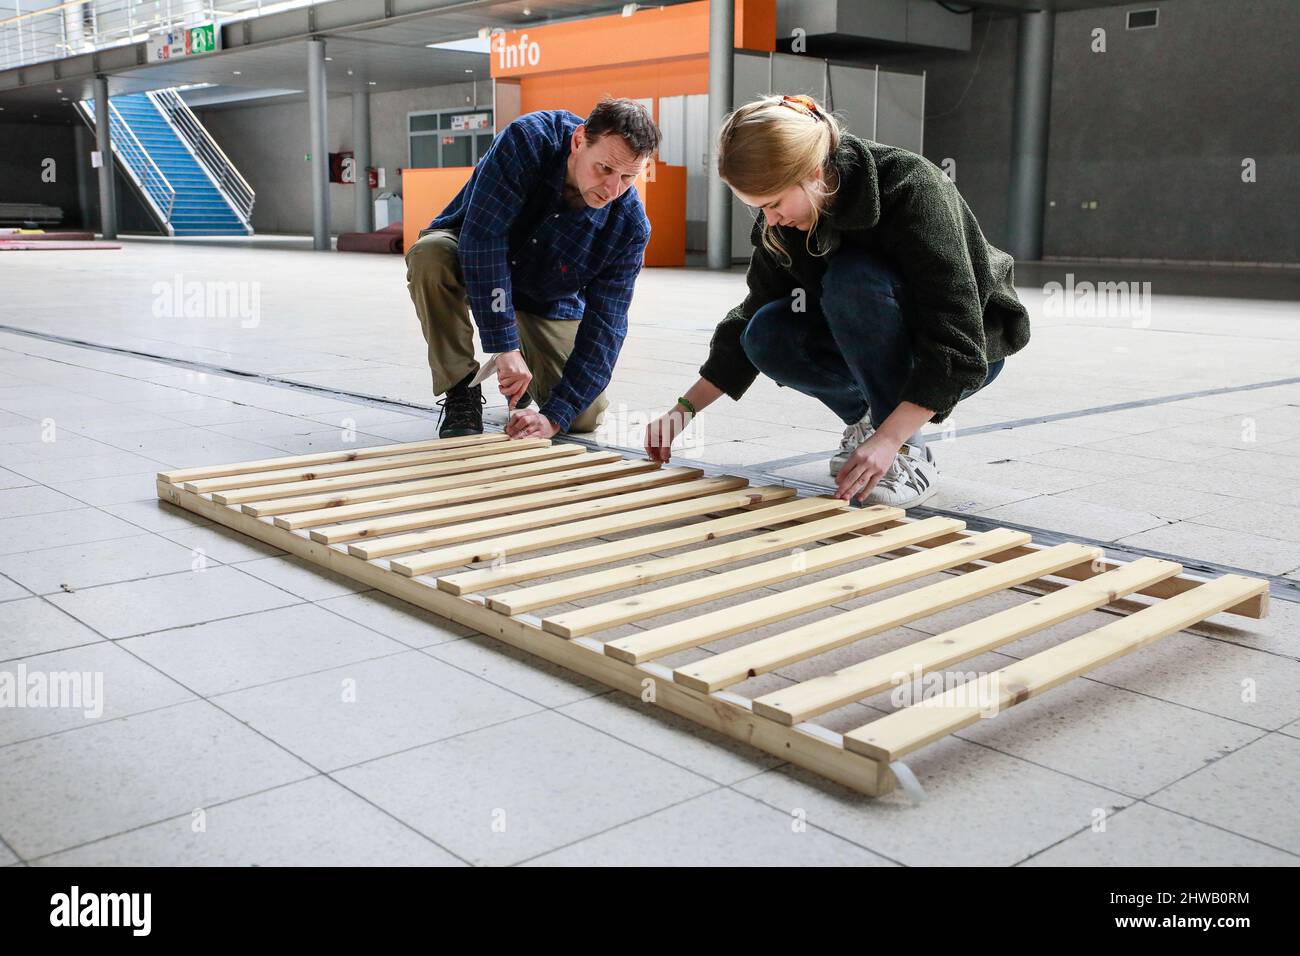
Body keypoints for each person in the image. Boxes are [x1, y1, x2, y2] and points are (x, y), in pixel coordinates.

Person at [645, 93, 1031, 508]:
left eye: (774, 204)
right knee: (765, 333)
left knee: (853, 276)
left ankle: (904, 450)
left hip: (963, 351)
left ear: (813, 172)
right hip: (873, 346)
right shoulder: (785, 223)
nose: (770, 219)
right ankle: (870, 424)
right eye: (759, 208)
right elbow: (749, 316)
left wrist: (891, 439)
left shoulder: (912, 187)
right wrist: (683, 410)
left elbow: (959, 339)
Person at [406, 98, 659, 440]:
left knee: (584, 415)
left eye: (629, 177)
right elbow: (484, 239)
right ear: (579, 140)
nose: (613, 189)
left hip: (546, 298)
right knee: (430, 257)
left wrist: (553, 418)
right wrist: (504, 345)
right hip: (473, 259)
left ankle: (522, 375)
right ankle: (461, 390)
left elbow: (606, 327)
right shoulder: (528, 140)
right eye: (605, 169)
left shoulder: (628, 227)